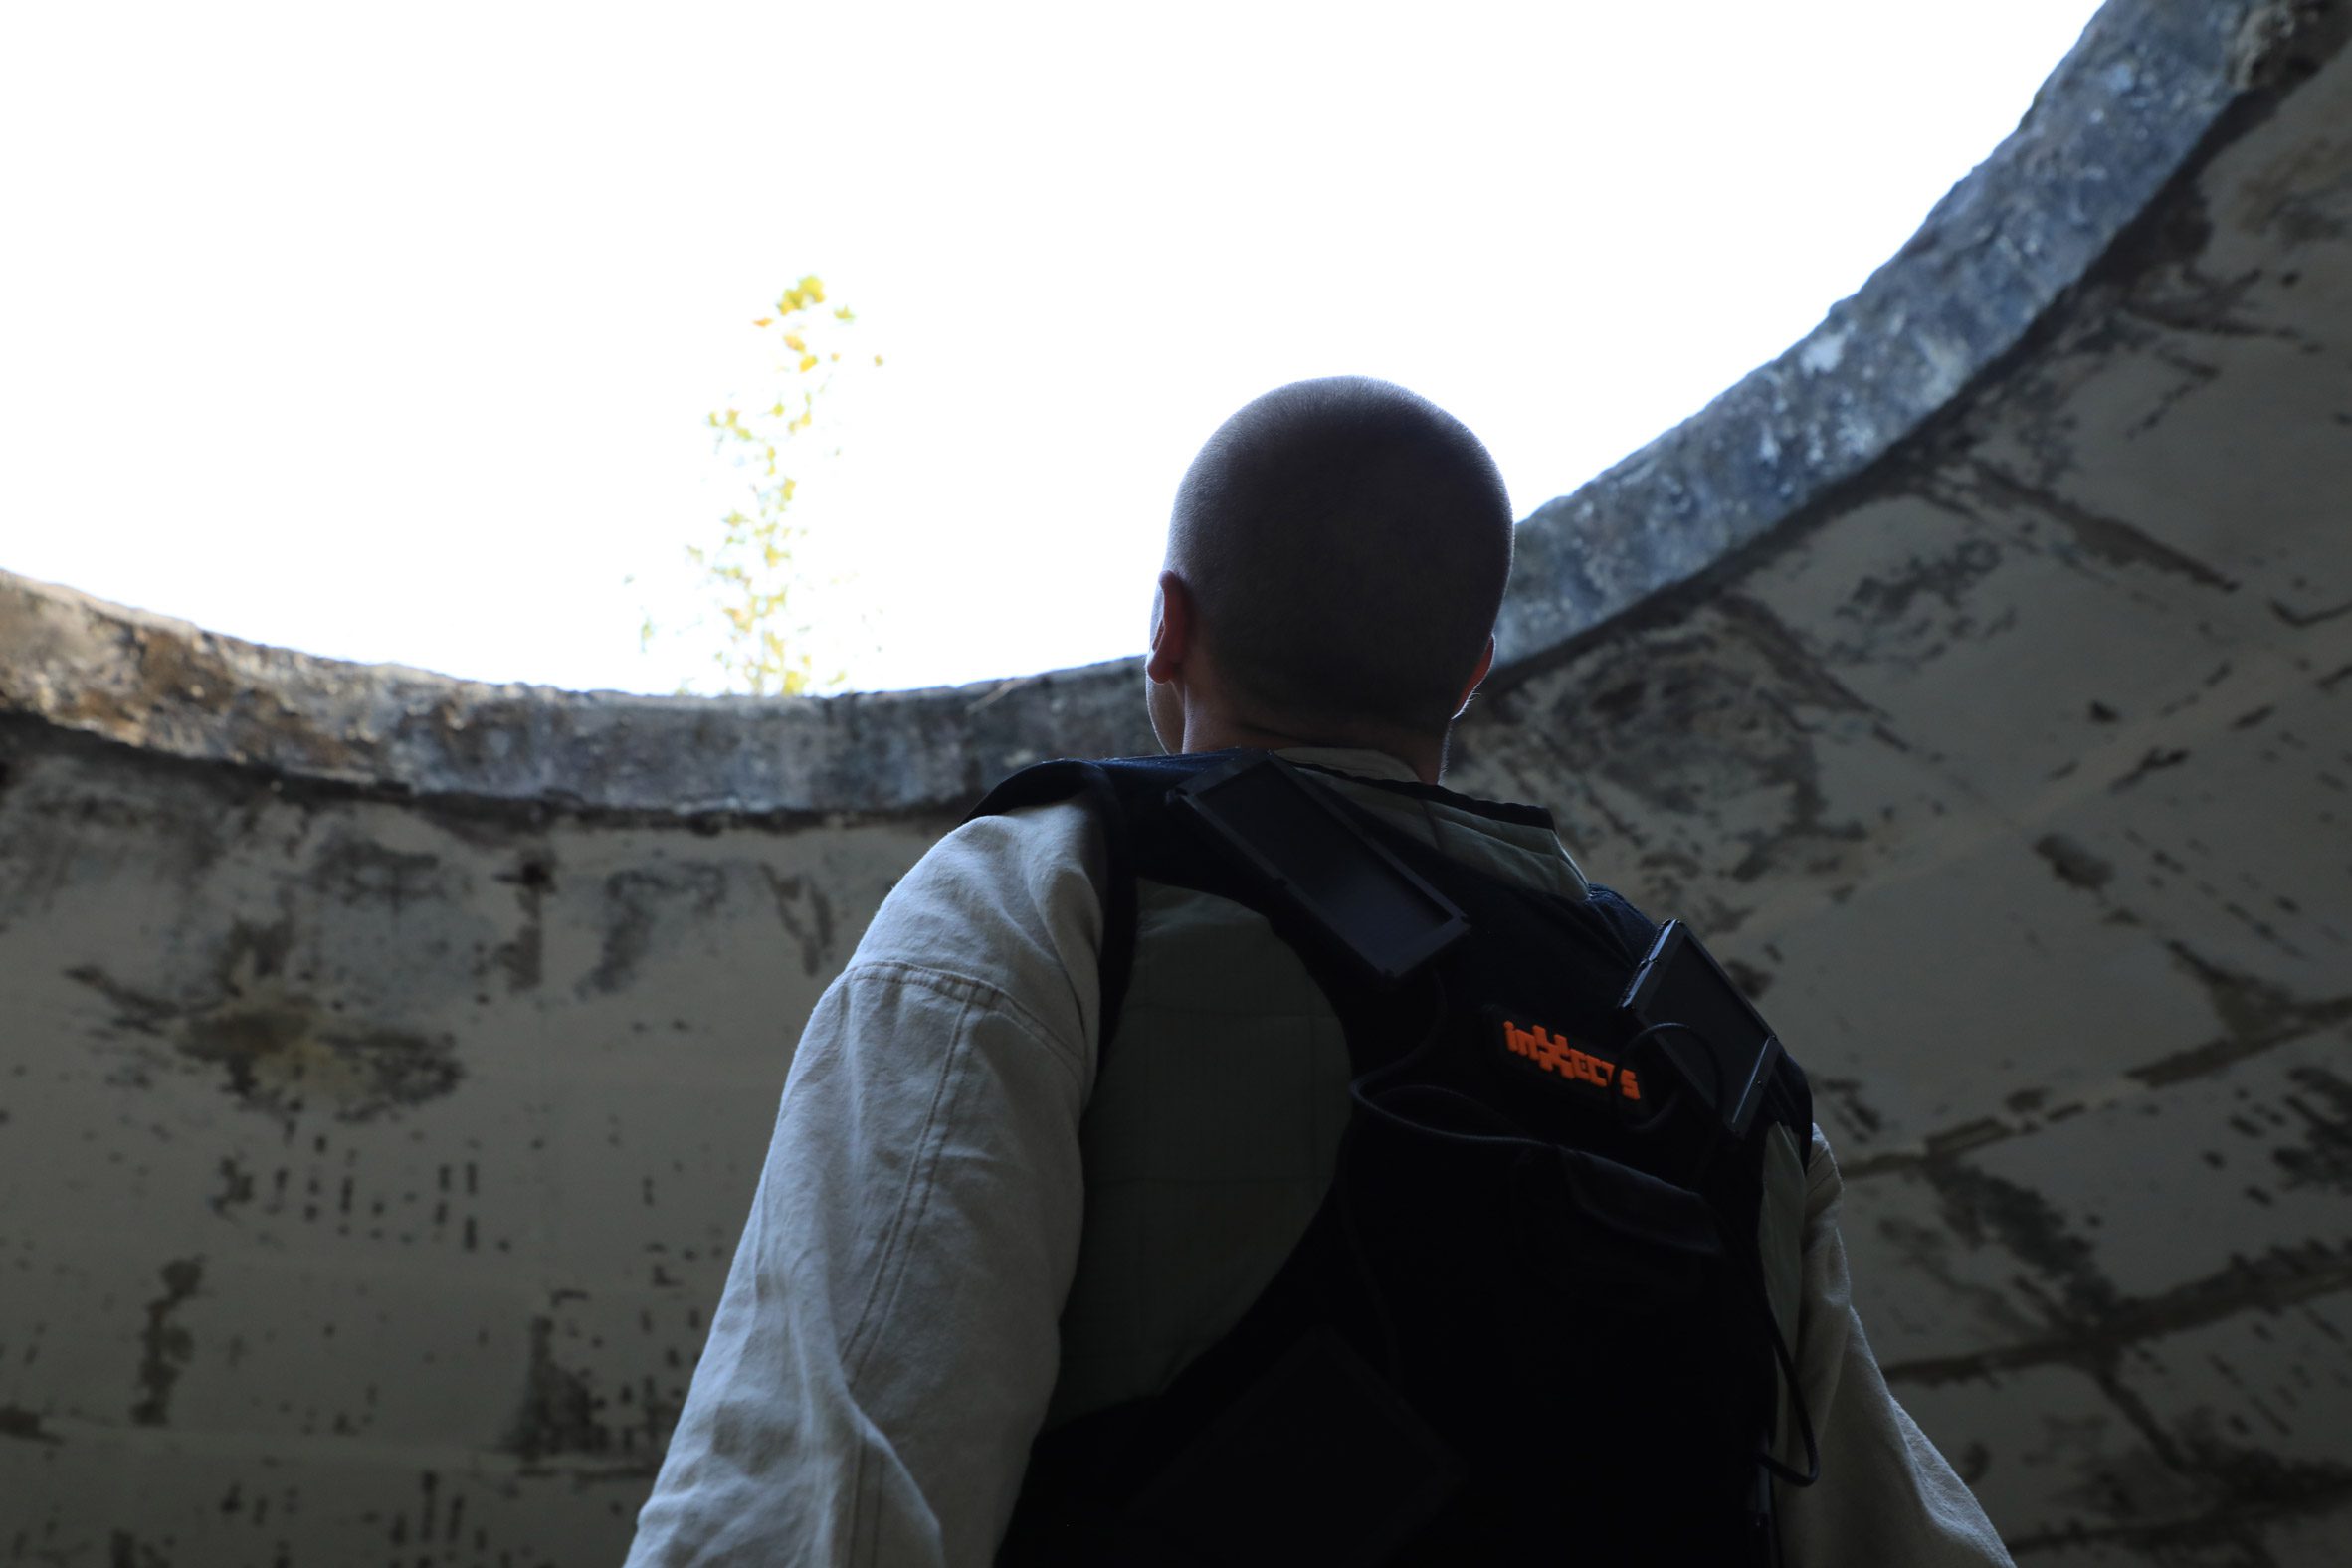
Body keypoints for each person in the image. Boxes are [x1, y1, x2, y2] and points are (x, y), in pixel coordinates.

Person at [622, 377, 2015, 1566]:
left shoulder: (1053, 885)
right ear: (1468, 674)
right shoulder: (1719, 1061)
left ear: (1169, 628)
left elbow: (838, 1473)